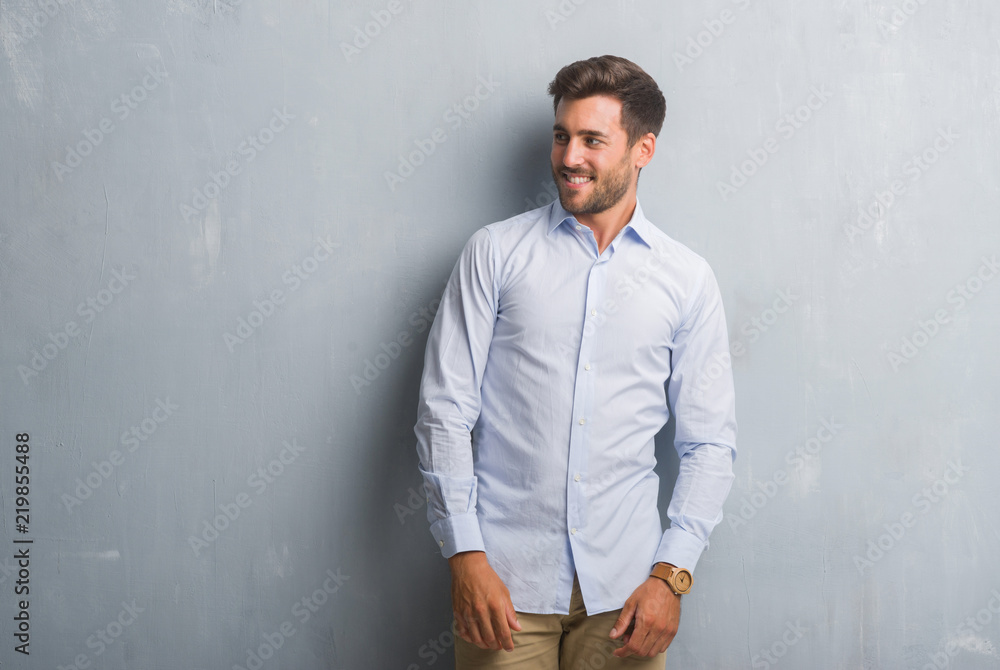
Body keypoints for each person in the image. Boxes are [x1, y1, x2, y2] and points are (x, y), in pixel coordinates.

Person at [413, 55, 737, 669]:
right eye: (562, 136)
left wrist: (671, 577)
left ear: (643, 150)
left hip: (629, 596)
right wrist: (464, 555)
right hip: (503, 591)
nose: (568, 157)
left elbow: (709, 443)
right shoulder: (495, 253)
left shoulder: (687, 280)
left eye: (593, 140)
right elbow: (443, 414)